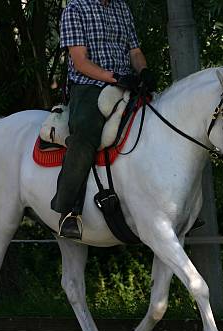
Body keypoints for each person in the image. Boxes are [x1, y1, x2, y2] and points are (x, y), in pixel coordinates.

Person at [51, 0, 156, 239]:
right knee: (86, 133)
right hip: (91, 86)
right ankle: (69, 211)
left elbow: (135, 52)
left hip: (127, 83)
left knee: (158, 120)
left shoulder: (122, 8)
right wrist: (114, 78)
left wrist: (143, 71)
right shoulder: (75, 9)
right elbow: (80, 61)